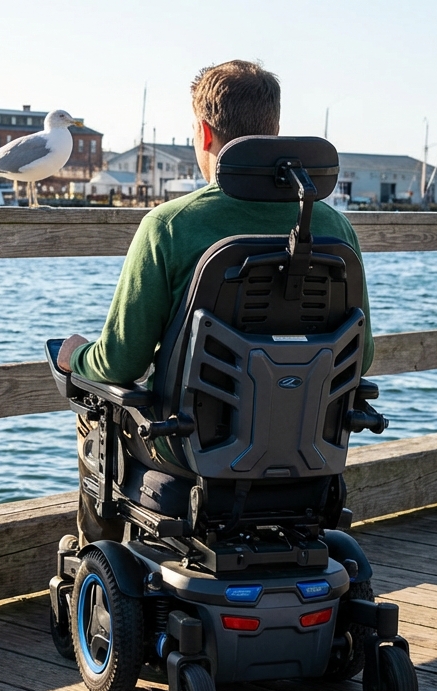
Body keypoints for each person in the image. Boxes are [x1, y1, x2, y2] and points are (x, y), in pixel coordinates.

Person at [57, 59, 373, 545]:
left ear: (204, 133)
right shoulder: (334, 227)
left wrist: (75, 356)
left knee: (94, 411)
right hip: (307, 446)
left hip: (189, 450)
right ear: (273, 131)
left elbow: (120, 363)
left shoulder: (169, 225)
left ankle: (97, 555)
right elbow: (360, 356)